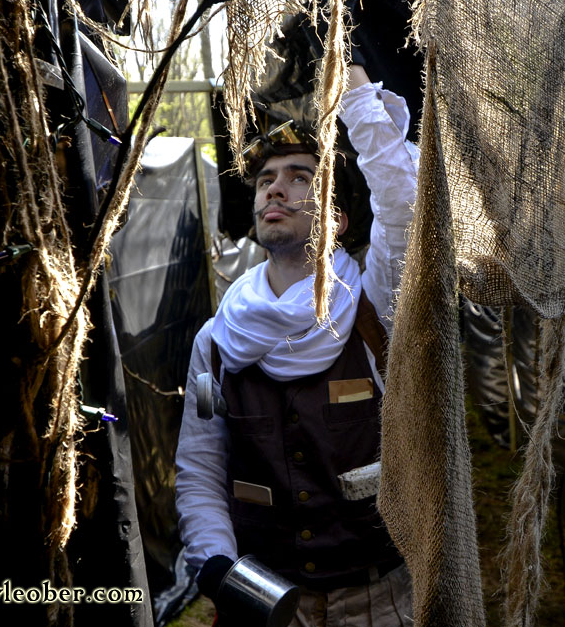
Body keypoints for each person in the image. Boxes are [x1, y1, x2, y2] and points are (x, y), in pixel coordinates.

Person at [174, 63, 418, 627]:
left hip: (378, 604)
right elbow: (200, 468)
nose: (275, 188)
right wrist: (214, 566)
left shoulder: (372, 310)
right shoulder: (216, 343)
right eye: (265, 181)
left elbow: (403, 206)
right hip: (263, 607)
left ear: (335, 216)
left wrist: (355, 91)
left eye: (300, 176)